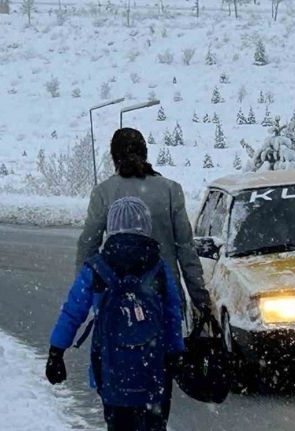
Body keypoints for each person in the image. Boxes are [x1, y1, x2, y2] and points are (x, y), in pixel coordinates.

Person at [47, 197, 185, 431]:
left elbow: (72, 312)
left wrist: (56, 352)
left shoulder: (96, 267)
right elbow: (173, 313)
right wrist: (176, 353)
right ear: (146, 226)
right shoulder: (159, 268)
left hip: (112, 372)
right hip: (154, 370)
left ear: (111, 227)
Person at [76, 128, 212, 321]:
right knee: (171, 348)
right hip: (165, 296)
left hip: (118, 299)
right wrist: (201, 300)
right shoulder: (170, 190)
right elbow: (186, 249)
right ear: (145, 154)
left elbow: (88, 246)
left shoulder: (103, 193)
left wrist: (83, 295)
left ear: (114, 157)